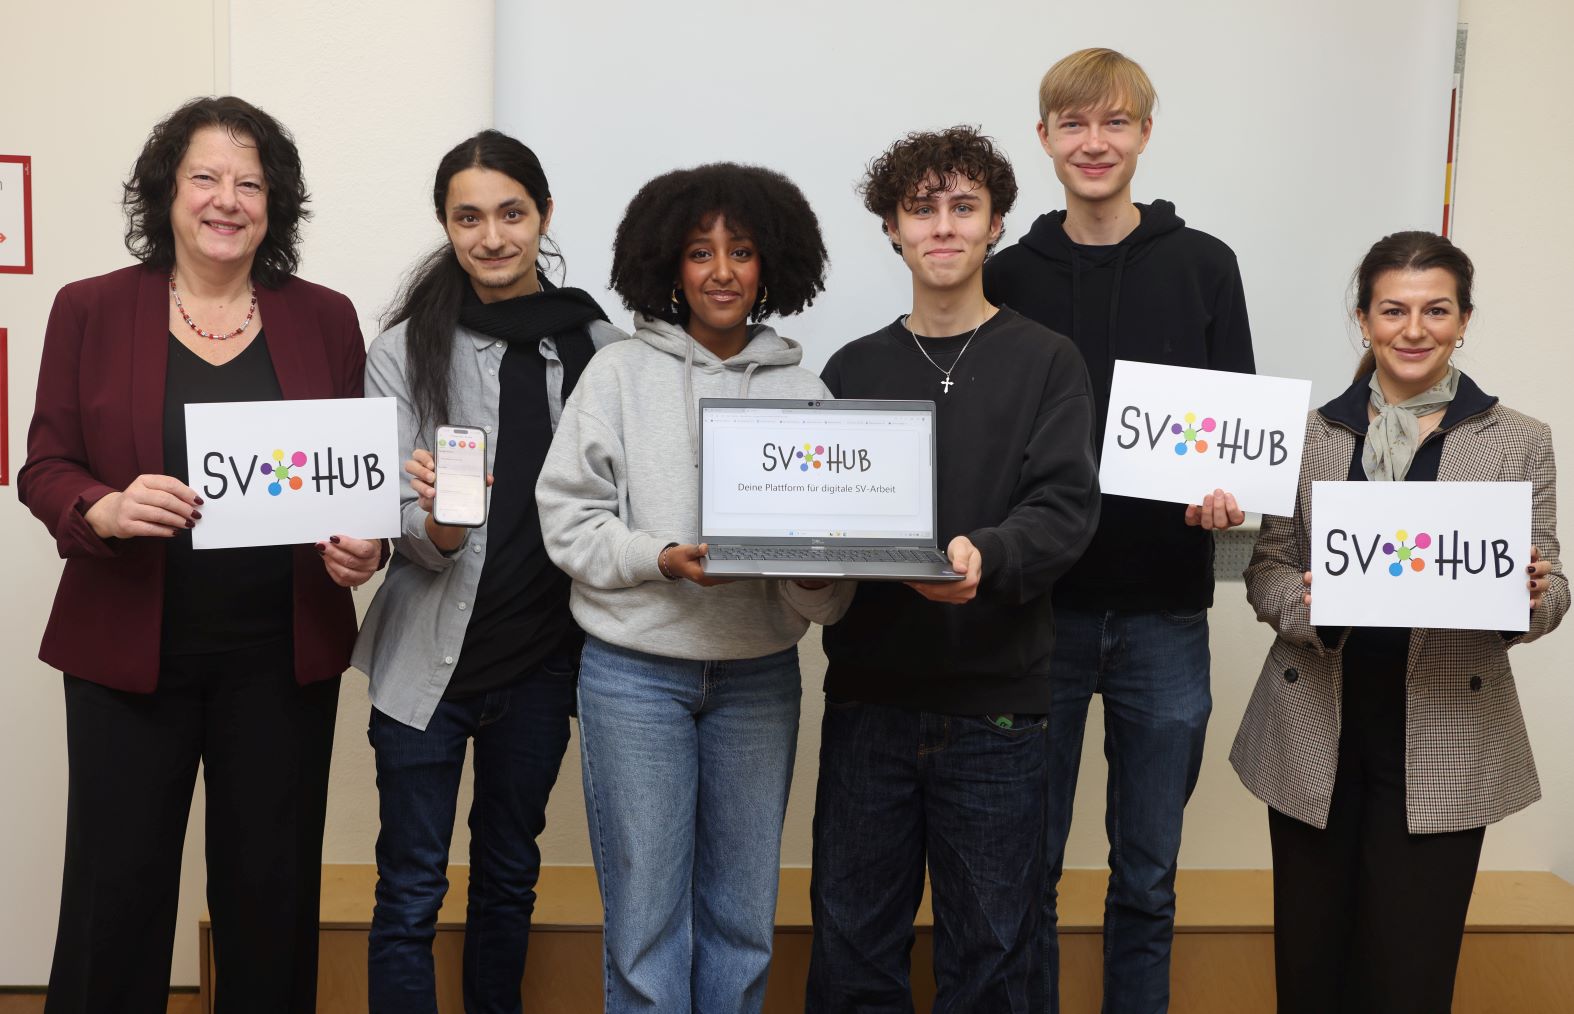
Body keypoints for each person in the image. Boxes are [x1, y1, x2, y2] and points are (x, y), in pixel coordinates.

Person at [18, 96, 379, 1013]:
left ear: (274, 202)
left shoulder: (326, 318)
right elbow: (45, 466)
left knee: (272, 898)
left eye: (250, 183)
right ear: (167, 192)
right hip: (126, 654)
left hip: (280, 659)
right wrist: (102, 508)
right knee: (115, 897)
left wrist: (362, 546)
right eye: (206, 178)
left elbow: (348, 486)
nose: (228, 199)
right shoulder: (91, 307)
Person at [535, 163, 853, 1013]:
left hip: (758, 677)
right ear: (668, 265)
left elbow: (827, 588)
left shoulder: (807, 394)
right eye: (700, 252)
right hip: (634, 676)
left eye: (741, 251)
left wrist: (814, 576)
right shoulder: (617, 375)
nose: (721, 271)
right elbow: (566, 520)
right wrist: (659, 557)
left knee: (743, 923)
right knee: (645, 927)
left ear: (771, 263)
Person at [981, 47, 1256, 1012]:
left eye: (1115, 122)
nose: (1094, 142)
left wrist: (1230, 496)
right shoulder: (1005, 275)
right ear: (1045, 137)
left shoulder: (1205, 264)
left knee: (1147, 879)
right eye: (1074, 123)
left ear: (1144, 133)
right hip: (1036, 616)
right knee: (1026, 875)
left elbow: (1238, 438)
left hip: (1164, 616)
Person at [1230, 231, 1565, 1013]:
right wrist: (1307, 604)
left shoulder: (1519, 439)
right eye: (1393, 310)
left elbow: (1549, 581)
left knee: (1409, 977)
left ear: (1464, 320)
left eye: (1436, 310)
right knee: (1310, 971)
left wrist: (1531, 594)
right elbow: (1267, 567)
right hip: (1315, 731)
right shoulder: (1307, 435)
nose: (1414, 329)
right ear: (1364, 319)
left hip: (1447, 729)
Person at [806, 125, 1101, 1012]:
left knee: (994, 964)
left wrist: (988, 556)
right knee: (853, 954)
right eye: (921, 208)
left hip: (998, 712)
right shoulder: (851, 368)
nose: (943, 226)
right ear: (892, 229)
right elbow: (822, 521)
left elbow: (1064, 508)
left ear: (996, 224)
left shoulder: (1048, 360)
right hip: (869, 704)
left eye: (963, 207)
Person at [352, 130, 623, 1013]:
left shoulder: (599, 348)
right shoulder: (404, 351)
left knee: (508, 881)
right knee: (410, 891)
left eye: (512, 213)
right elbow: (393, 519)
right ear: (445, 224)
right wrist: (438, 521)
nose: (492, 236)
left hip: (541, 664)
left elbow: (619, 505)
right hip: (422, 664)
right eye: (468, 218)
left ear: (544, 215)